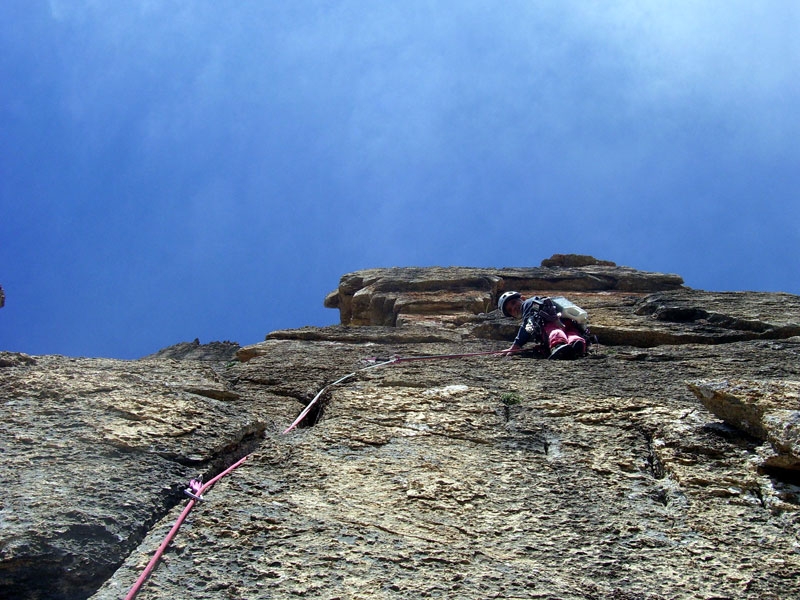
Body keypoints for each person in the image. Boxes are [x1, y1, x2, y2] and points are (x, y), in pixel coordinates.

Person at [498, 291, 588, 359]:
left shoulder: (528, 303)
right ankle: (576, 344)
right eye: (510, 310)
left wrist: (516, 345)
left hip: (549, 322)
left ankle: (558, 345)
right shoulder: (541, 302)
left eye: (513, 302)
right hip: (567, 321)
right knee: (572, 333)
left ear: (523, 299)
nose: (514, 308)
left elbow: (527, 325)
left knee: (554, 332)